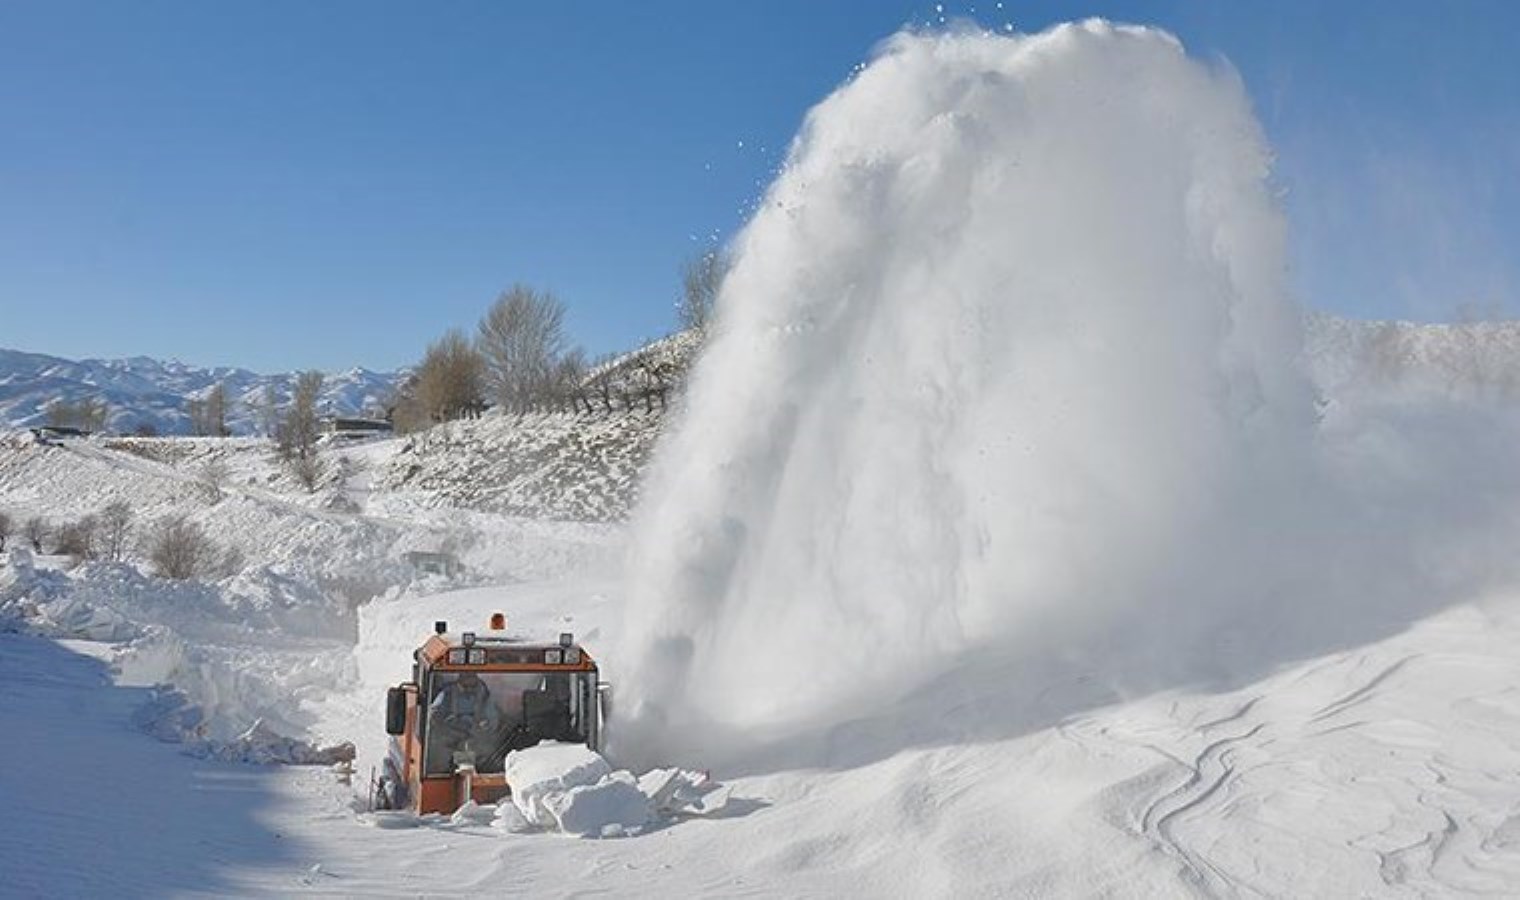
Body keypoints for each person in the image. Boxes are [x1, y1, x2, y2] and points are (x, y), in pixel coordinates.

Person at [426, 673, 500, 773]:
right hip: (449, 735)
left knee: (487, 751)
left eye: (473, 686)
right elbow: (433, 714)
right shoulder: (448, 694)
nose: (469, 689)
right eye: (466, 686)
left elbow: (492, 717)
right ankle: (446, 774)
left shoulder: (484, 694)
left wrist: (486, 725)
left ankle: (480, 774)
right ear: (459, 681)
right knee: (440, 756)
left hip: (474, 735)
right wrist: (444, 723)